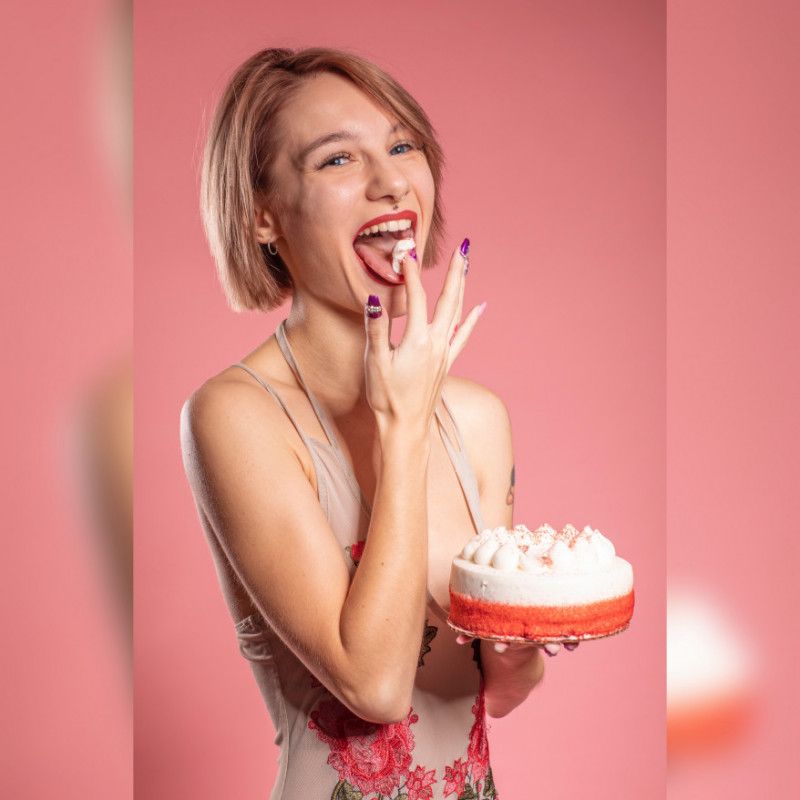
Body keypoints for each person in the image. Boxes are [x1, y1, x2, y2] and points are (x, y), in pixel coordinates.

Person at [181, 47, 573, 800]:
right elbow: (377, 687)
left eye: (402, 146)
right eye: (337, 160)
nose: (392, 182)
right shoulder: (233, 416)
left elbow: (497, 692)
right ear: (262, 214)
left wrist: (528, 635)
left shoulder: (480, 418)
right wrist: (401, 430)